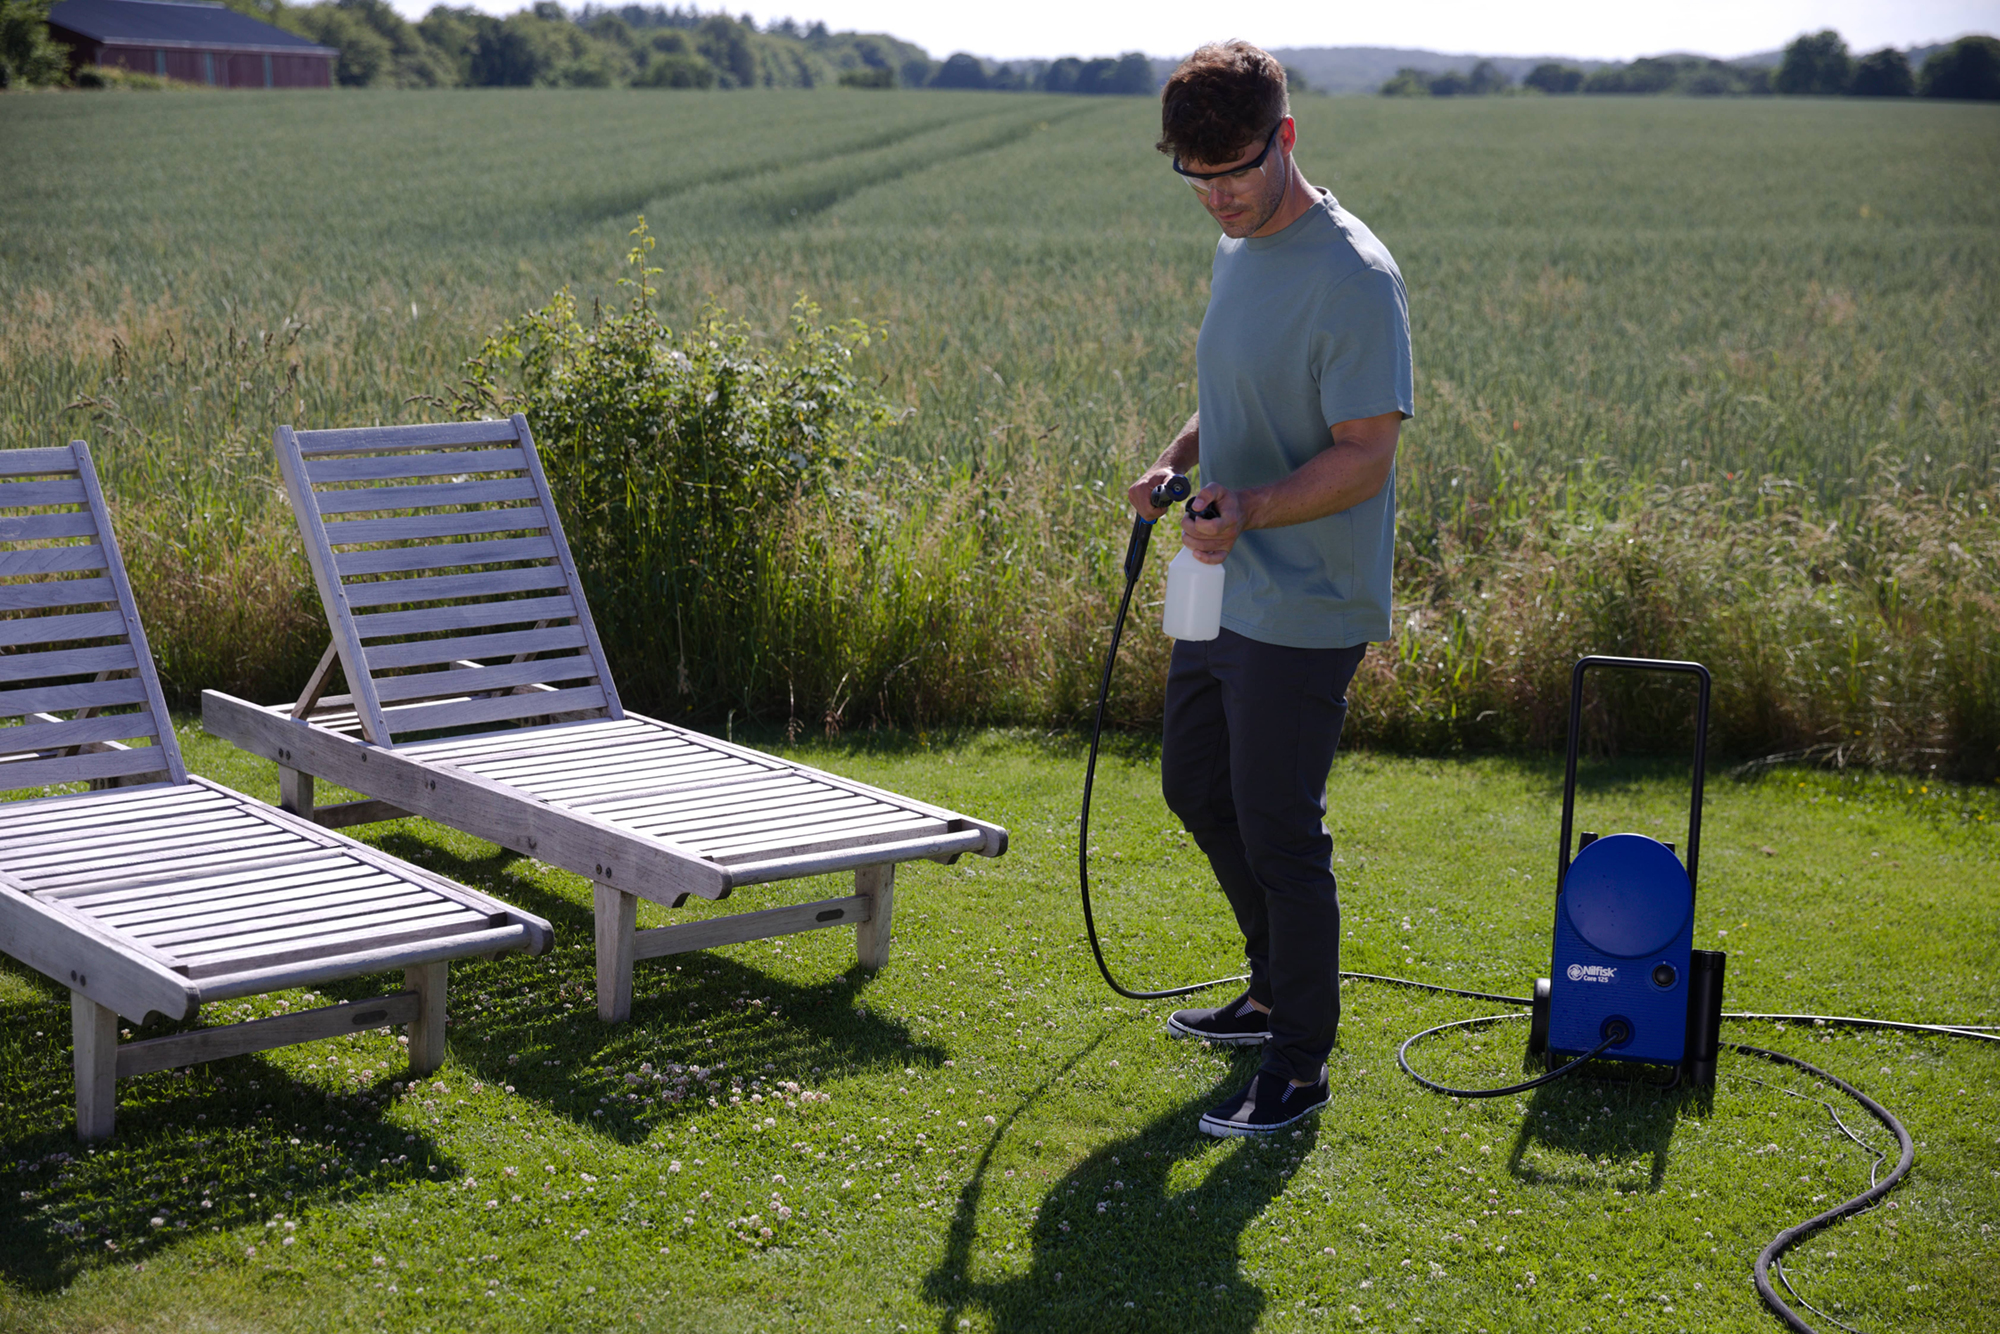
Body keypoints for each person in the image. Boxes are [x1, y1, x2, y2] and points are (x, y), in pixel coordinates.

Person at [1128, 40, 1413, 1137]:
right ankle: (1267, 987)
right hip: (1221, 583)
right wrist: (1177, 462)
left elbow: (1363, 455)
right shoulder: (1235, 246)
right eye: (1194, 179)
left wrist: (1245, 510)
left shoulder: (1352, 276)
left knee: (1280, 828)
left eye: (1235, 172)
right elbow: (1230, 392)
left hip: (1303, 601)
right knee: (1196, 785)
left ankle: (1297, 1063)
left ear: (1284, 136)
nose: (1217, 197)